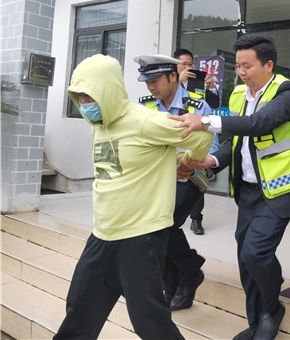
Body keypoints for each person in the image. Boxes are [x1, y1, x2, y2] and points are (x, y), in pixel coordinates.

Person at [54, 54, 214, 339]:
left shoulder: (145, 120)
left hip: (140, 237)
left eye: (90, 96)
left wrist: (187, 161)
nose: (85, 104)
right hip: (103, 233)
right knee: (79, 313)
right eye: (80, 97)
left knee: (150, 324)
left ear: (107, 91)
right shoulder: (99, 124)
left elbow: (202, 136)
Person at [169, 33, 290, 340]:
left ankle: (272, 309)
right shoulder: (238, 95)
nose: (241, 72)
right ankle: (255, 322)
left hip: (280, 190)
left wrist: (205, 121)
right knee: (245, 258)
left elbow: (259, 124)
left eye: (247, 66)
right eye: (238, 66)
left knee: (256, 253)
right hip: (248, 190)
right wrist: (209, 162)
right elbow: (236, 140)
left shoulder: (288, 93)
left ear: (268, 65)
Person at [134, 54, 220, 311]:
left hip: (189, 178)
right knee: (152, 228)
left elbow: (213, 147)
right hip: (155, 178)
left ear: (173, 77)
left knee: (164, 222)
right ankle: (171, 285)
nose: (150, 87)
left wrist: (187, 162)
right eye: (147, 82)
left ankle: (191, 269)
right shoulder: (143, 106)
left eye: (155, 81)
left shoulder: (197, 106)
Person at [173, 48, 222, 235]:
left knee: (196, 176)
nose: (188, 67)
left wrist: (211, 87)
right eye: (183, 64)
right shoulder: (171, 84)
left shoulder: (198, 83)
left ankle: (196, 219)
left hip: (197, 135)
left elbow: (213, 105)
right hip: (177, 135)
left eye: (190, 64)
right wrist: (179, 82)